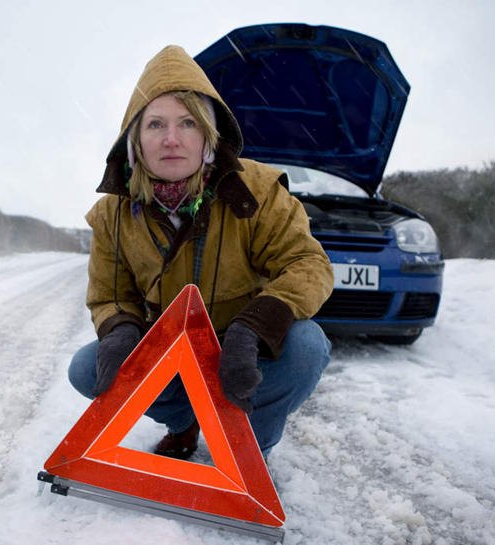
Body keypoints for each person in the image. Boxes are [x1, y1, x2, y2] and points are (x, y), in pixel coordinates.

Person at [68, 45, 334, 459]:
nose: (171, 139)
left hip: (243, 346)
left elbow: (308, 265)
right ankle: (184, 422)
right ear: (134, 139)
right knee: (88, 368)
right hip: (169, 348)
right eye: (155, 124)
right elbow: (111, 295)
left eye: (187, 122)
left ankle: (250, 449)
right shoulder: (112, 214)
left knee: (307, 346)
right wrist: (121, 332)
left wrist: (253, 331)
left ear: (208, 135)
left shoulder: (258, 190)